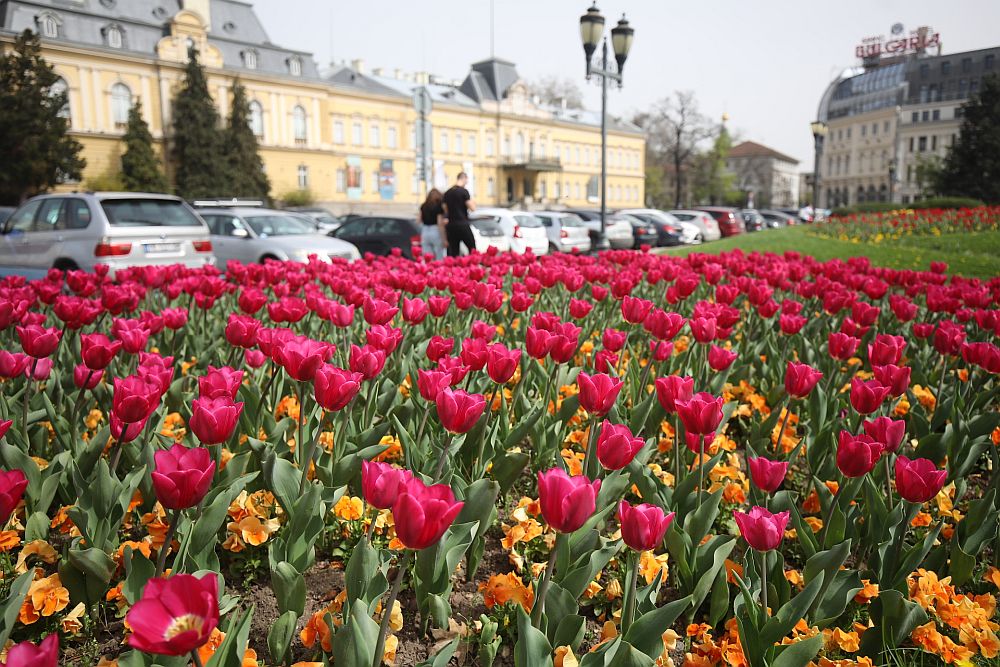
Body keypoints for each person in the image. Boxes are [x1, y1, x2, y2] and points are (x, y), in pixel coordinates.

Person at [442, 172, 476, 257]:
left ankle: (454, 269)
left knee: (453, 251)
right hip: (462, 223)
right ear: (464, 179)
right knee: (472, 248)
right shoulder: (464, 192)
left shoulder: (447, 193)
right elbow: (472, 208)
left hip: (451, 225)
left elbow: (445, 209)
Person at [419, 189, 447, 260]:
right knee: (439, 255)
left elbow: (419, 220)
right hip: (435, 230)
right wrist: (444, 239)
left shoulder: (423, 206)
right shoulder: (438, 206)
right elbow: (439, 223)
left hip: (425, 230)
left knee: (427, 256)